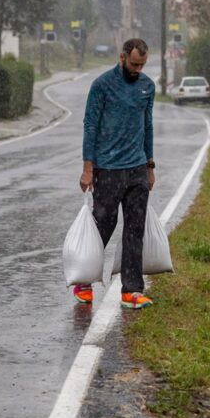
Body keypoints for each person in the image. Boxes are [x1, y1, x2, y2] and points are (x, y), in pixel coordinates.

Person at [76, 38, 156, 309]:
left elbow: (148, 126)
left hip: (136, 170)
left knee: (135, 229)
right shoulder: (102, 85)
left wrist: (150, 166)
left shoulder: (147, 87)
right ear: (122, 57)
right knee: (103, 226)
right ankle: (84, 280)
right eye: (134, 64)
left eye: (142, 65)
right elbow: (90, 125)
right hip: (107, 169)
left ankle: (131, 291)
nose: (137, 69)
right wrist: (88, 169)